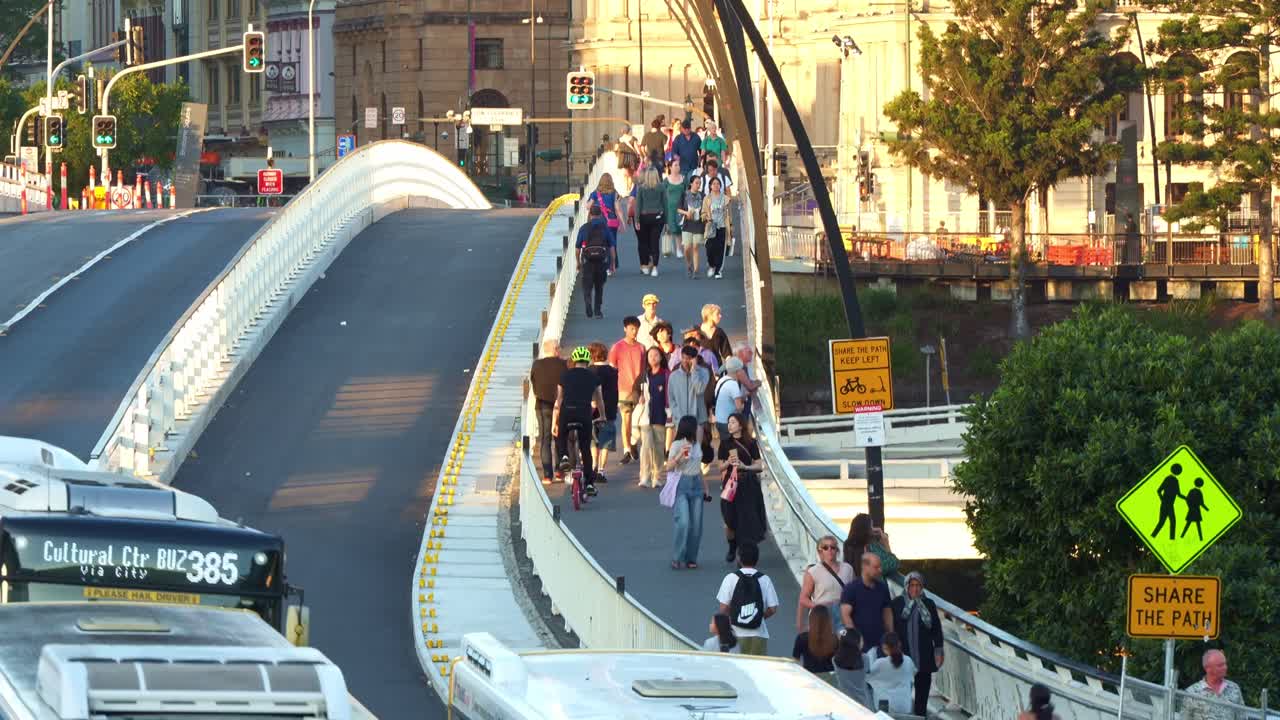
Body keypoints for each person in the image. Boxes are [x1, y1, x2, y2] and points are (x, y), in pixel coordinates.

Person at [552, 346, 605, 494]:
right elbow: (599, 399)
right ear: (588, 361)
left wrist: (555, 420)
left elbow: (559, 400)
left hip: (567, 412)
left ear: (574, 361)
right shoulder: (593, 376)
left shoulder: (564, 376)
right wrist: (602, 416)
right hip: (584, 414)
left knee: (561, 435)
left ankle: (563, 457)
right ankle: (589, 484)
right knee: (585, 449)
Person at [892, 571, 944, 716]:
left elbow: (936, 630)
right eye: (912, 585)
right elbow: (892, 628)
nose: (915, 589)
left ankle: (920, 717)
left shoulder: (928, 604)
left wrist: (939, 651)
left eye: (918, 585)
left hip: (924, 656)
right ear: (906, 586)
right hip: (904, 656)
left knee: (922, 696)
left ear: (922, 587)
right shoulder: (897, 603)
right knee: (903, 695)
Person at [715, 542, 779, 655]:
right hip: (759, 634)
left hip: (735, 634)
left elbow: (723, 609)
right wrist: (758, 617)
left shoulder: (730, 578)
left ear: (739, 558)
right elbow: (773, 608)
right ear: (757, 558)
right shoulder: (765, 579)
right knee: (757, 670)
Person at [717, 411, 764, 564]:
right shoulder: (725, 443)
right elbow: (720, 467)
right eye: (729, 422)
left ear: (740, 425)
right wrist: (728, 462)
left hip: (748, 483)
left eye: (733, 422)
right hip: (731, 484)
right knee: (729, 520)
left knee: (747, 520)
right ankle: (732, 545)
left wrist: (746, 466)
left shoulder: (751, 443)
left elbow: (759, 465)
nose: (729, 425)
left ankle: (743, 554)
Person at [666, 415, 710, 569]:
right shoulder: (677, 444)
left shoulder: (698, 445)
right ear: (690, 428)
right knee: (683, 521)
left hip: (696, 484)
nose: (700, 429)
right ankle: (677, 557)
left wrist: (706, 487)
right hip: (682, 485)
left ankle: (691, 558)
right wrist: (680, 455)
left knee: (696, 525)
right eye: (697, 426)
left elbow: (698, 468)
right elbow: (668, 467)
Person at [798, 534, 856, 633]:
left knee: (843, 643)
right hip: (822, 615)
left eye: (833, 547)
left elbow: (854, 592)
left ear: (837, 550)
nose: (829, 550)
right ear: (820, 551)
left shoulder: (848, 569)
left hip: (843, 615)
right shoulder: (813, 571)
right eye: (825, 547)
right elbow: (803, 598)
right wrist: (817, 606)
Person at [529, 339, 567, 484]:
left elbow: (533, 382)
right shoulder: (564, 365)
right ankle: (559, 471)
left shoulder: (537, 364)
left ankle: (547, 475)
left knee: (545, 440)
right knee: (559, 437)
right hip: (560, 405)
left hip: (542, 404)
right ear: (556, 349)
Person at [609, 317, 645, 465]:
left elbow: (644, 370)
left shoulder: (641, 348)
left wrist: (643, 389)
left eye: (636, 328)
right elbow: (612, 368)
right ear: (625, 329)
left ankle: (633, 442)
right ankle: (626, 449)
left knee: (639, 420)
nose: (634, 331)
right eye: (631, 328)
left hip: (638, 389)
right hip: (623, 388)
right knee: (626, 418)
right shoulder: (617, 347)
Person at [841, 552, 893, 653]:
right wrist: (855, 641)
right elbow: (845, 616)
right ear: (865, 566)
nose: (880, 570)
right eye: (876, 567)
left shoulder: (882, 588)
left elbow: (887, 612)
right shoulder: (851, 589)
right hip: (860, 646)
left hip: (881, 645)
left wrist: (890, 634)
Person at [635, 345, 669, 488]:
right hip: (646, 417)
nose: (653, 358)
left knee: (659, 448)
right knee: (646, 447)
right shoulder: (644, 375)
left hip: (660, 416)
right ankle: (645, 476)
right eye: (650, 356)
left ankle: (658, 477)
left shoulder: (666, 374)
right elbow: (636, 389)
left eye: (656, 355)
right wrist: (639, 398)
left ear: (661, 357)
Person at [575, 204, 616, 318]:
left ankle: (588, 305)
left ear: (590, 214)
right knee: (599, 287)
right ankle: (597, 311)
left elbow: (578, 248)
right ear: (600, 215)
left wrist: (578, 262)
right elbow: (612, 247)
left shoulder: (584, 228)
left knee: (587, 286)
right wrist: (612, 264)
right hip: (601, 261)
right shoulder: (605, 228)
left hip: (587, 261)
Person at [587, 342, 618, 484]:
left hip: (592, 410)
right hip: (609, 409)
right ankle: (601, 470)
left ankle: (593, 464)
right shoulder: (613, 371)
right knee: (605, 443)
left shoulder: (589, 371)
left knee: (593, 440)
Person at [668, 345, 710, 448]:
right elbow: (671, 399)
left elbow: (699, 389)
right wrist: (677, 415)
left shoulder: (704, 372)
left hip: (698, 419)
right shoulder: (673, 376)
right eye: (683, 358)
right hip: (680, 421)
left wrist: (694, 371)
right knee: (684, 452)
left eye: (689, 359)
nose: (685, 361)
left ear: (695, 359)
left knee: (696, 451)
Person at [1183, 649, 1244, 720]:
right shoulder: (1192, 693)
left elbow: (1242, 716)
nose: (1225, 667)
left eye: (1225, 664)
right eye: (1220, 665)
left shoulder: (1234, 688)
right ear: (1208, 669)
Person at [867, 632, 916, 714]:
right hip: (904, 705)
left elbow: (867, 678)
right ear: (899, 644)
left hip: (884, 706)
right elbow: (912, 678)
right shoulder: (908, 661)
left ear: (884, 648)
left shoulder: (880, 663)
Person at [793, 605, 839, 686]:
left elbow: (795, 661)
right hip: (830, 680)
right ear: (828, 621)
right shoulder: (835, 639)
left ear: (811, 620)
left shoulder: (802, 638)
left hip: (809, 678)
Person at [587, 173, 625, 271]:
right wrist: (622, 223)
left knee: (601, 242)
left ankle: (602, 263)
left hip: (599, 221)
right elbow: (618, 209)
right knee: (612, 243)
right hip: (611, 222)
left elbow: (588, 206)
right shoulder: (614, 193)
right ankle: (612, 266)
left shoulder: (595, 193)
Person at [843, 513, 899, 577]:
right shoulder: (870, 548)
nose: (873, 529)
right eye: (871, 526)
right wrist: (886, 543)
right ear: (866, 529)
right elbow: (894, 564)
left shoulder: (848, 546)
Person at [633, 166, 665, 276]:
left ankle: (645, 265)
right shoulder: (661, 187)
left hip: (644, 217)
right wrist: (667, 221)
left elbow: (638, 205)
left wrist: (636, 219)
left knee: (644, 242)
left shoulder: (641, 188)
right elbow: (665, 204)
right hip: (658, 217)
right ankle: (655, 267)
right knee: (655, 242)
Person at [701, 176, 731, 278]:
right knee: (709, 248)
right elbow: (703, 213)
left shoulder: (725, 199)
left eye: (718, 184)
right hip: (711, 227)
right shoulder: (707, 199)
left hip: (722, 226)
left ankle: (718, 270)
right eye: (713, 184)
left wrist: (731, 225)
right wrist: (706, 218)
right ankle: (711, 265)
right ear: (710, 186)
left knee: (720, 249)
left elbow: (728, 214)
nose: (716, 185)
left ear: (720, 186)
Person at [678, 174, 706, 277]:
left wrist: (704, 215)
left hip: (699, 224)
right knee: (687, 247)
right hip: (687, 223)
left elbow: (706, 209)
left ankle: (696, 270)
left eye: (700, 183)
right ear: (691, 183)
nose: (698, 185)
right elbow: (678, 208)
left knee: (695, 246)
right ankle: (689, 264)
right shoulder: (685, 195)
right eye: (696, 183)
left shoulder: (703, 196)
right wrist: (686, 213)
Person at [834, 626, 870, 708]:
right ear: (856, 644)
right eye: (861, 640)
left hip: (843, 701)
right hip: (862, 702)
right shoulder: (865, 659)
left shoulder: (835, 660)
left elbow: (840, 632)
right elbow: (867, 671)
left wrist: (845, 634)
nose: (863, 642)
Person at [661, 159, 687, 260]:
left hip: (680, 208)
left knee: (679, 228)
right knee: (669, 228)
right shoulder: (666, 180)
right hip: (669, 208)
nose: (677, 167)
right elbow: (662, 193)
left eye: (678, 165)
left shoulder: (683, 179)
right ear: (670, 167)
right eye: (675, 165)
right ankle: (667, 249)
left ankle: (679, 249)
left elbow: (687, 192)